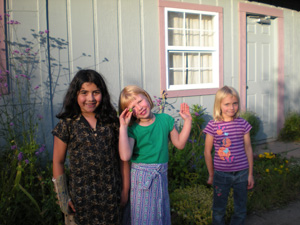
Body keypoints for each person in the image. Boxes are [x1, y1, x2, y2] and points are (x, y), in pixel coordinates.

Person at [52, 69, 130, 225]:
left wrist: (125, 190)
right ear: (75, 94)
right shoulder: (67, 124)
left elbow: (123, 159)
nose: (90, 98)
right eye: (84, 92)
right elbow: (58, 162)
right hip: (81, 201)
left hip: (111, 198)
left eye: (96, 92)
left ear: (103, 94)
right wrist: (63, 197)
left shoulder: (112, 122)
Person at [118, 85, 192, 225]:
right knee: (143, 219)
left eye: (140, 101)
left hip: (160, 177)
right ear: (130, 113)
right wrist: (123, 127)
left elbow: (180, 144)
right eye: (133, 107)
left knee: (160, 215)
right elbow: (125, 156)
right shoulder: (133, 129)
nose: (139, 107)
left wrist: (187, 121)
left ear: (147, 97)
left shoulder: (165, 120)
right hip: (141, 180)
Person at [203, 85, 254, 225]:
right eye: (227, 104)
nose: (231, 108)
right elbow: (207, 151)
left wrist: (250, 174)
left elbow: (248, 148)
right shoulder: (213, 126)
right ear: (219, 105)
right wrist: (211, 174)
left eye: (235, 103)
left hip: (242, 174)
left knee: (240, 208)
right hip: (221, 175)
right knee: (219, 209)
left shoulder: (243, 124)